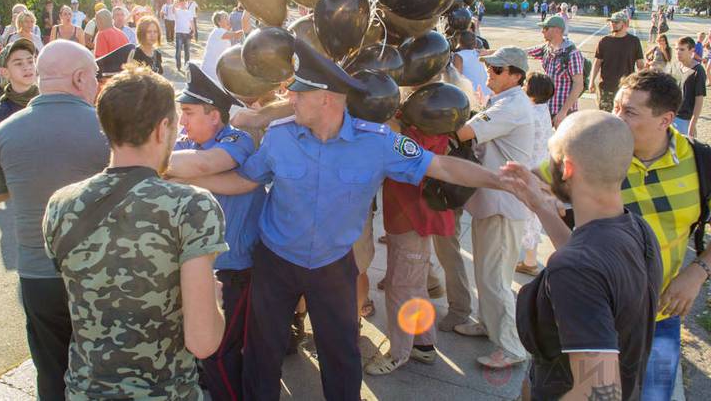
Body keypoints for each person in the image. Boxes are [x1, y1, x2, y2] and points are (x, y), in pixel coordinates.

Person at [177, 39, 508, 400]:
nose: (290, 98)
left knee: (341, 357)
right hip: (275, 263)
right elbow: (244, 180)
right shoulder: (280, 136)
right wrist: (179, 177)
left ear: (327, 99)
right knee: (262, 353)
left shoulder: (378, 142)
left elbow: (441, 166)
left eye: (299, 93)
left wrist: (500, 181)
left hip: (332, 267)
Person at [42, 65, 226, 400]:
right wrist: (214, 299)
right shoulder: (192, 206)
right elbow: (203, 343)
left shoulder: (60, 204)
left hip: (85, 391)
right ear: (162, 129)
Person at [537, 70, 711, 400]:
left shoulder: (701, 161)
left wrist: (698, 272)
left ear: (666, 120)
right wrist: (549, 199)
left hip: (660, 317)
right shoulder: (597, 150)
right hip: (594, 309)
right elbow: (536, 180)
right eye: (615, 106)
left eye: (629, 111)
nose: (615, 118)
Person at [0, 40, 110, 401]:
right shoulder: (108, 128)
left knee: (51, 371)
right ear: (80, 78)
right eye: (95, 75)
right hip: (100, 273)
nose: (97, 83)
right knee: (105, 371)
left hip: (38, 273)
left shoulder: (5, 131)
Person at [503, 111, 662, 401]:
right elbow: (592, 266)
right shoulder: (637, 229)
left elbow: (600, 394)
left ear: (566, 168)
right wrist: (541, 208)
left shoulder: (575, 268)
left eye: (551, 154)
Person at [165, 63, 267, 400]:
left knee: (221, 351)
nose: (182, 122)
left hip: (233, 269)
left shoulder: (237, 140)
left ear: (214, 116)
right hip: (195, 267)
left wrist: (166, 170)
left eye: (189, 113)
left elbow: (204, 164)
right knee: (204, 346)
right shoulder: (182, 144)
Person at [452, 46, 533, 369]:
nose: (490, 72)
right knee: (487, 272)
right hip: (493, 201)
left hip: (502, 204)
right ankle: (488, 323)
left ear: (516, 76)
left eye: (498, 69)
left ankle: (511, 347)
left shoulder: (510, 106)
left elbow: (463, 132)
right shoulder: (503, 101)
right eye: (490, 67)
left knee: (494, 278)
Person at [365, 122, 455, 375]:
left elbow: (404, 154)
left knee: (400, 287)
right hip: (405, 219)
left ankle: (399, 353)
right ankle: (423, 345)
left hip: (412, 221)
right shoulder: (421, 123)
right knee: (413, 285)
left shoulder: (424, 129)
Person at [515, 73, 554, 277]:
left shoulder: (529, 113)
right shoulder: (543, 109)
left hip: (528, 170)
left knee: (525, 216)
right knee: (534, 216)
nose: (522, 87)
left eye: (525, 84)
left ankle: (529, 261)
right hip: (542, 169)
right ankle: (530, 259)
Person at [526, 15, 585, 126]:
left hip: (564, 111)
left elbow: (578, 85)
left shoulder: (572, 54)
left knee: (565, 138)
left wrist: (563, 112)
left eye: (546, 28)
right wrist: (494, 53)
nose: (542, 31)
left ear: (557, 30)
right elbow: (522, 52)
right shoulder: (547, 48)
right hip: (547, 107)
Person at [589, 11, 644, 112]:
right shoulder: (604, 41)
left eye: (616, 22)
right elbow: (597, 63)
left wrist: (642, 84)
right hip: (606, 87)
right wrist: (591, 81)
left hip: (626, 88)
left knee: (623, 117)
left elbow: (640, 65)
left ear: (625, 23)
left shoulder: (634, 41)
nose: (613, 24)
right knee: (605, 116)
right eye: (611, 22)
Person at [0, 39, 38, 126]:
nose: (27, 67)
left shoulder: (47, 98)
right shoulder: (4, 111)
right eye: (19, 63)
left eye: (30, 61)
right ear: (5, 72)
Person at [201, 10, 249, 82]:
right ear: (219, 22)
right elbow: (236, 35)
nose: (228, 20)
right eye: (225, 18)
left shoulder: (222, 33)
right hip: (210, 70)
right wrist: (248, 30)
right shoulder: (218, 31)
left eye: (228, 18)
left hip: (214, 70)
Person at [673, 36, 706, 138]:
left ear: (692, 50)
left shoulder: (698, 70)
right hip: (672, 116)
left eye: (682, 49)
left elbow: (699, 99)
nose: (678, 52)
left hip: (685, 119)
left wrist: (692, 124)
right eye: (677, 49)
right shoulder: (676, 66)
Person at [452, 30, 489, 102]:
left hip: (474, 95)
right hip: (487, 92)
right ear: (475, 43)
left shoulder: (458, 56)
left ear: (459, 43)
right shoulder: (478, 53)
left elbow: (457, 77)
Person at [175, 0, 195, 71]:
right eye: (181, 3)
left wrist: (193, 32)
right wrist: (177, 1)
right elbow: (173, 9)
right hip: (179, 33)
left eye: (184, 3)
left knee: (187, 52)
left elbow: (192, 22)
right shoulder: (177, 11)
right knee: (178, 51)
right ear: (179, 3)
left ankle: (186, 66)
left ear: (186, 3)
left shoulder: (189, 12)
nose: (183, 4)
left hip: (187, 33)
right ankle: (178, 66)